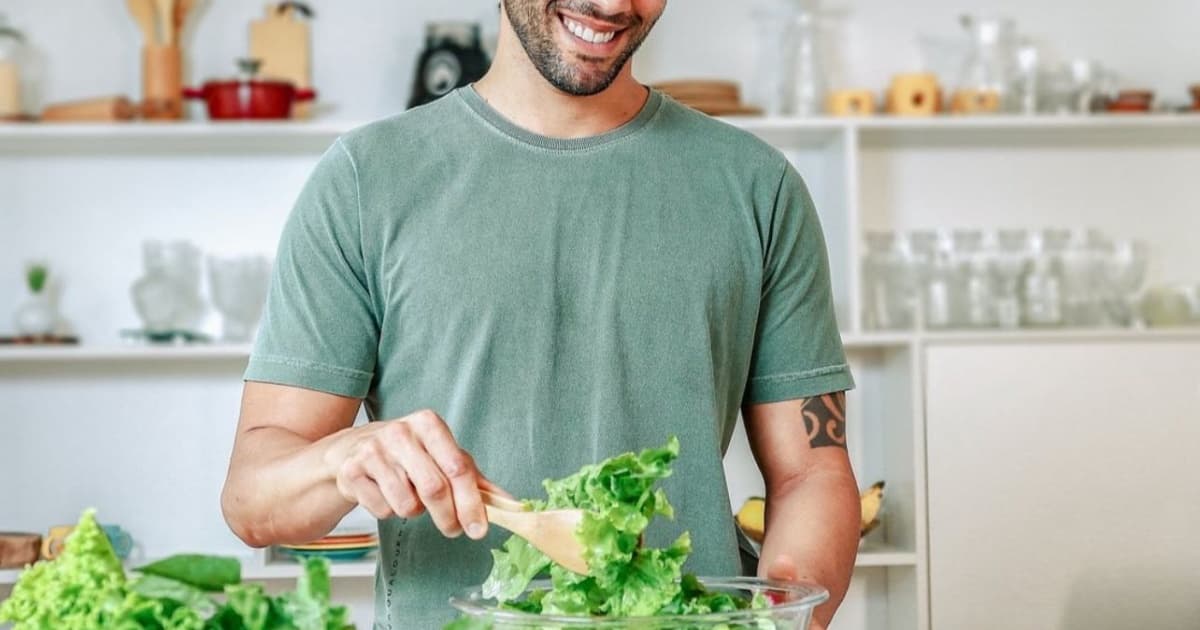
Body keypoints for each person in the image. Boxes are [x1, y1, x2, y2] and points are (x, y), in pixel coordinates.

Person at [220, 1, 860, 627]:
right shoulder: (366, 182)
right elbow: (254, 500)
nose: (611, 5)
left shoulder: (757, 188)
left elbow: (811, 472)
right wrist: (346, 457)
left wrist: (784, 613)